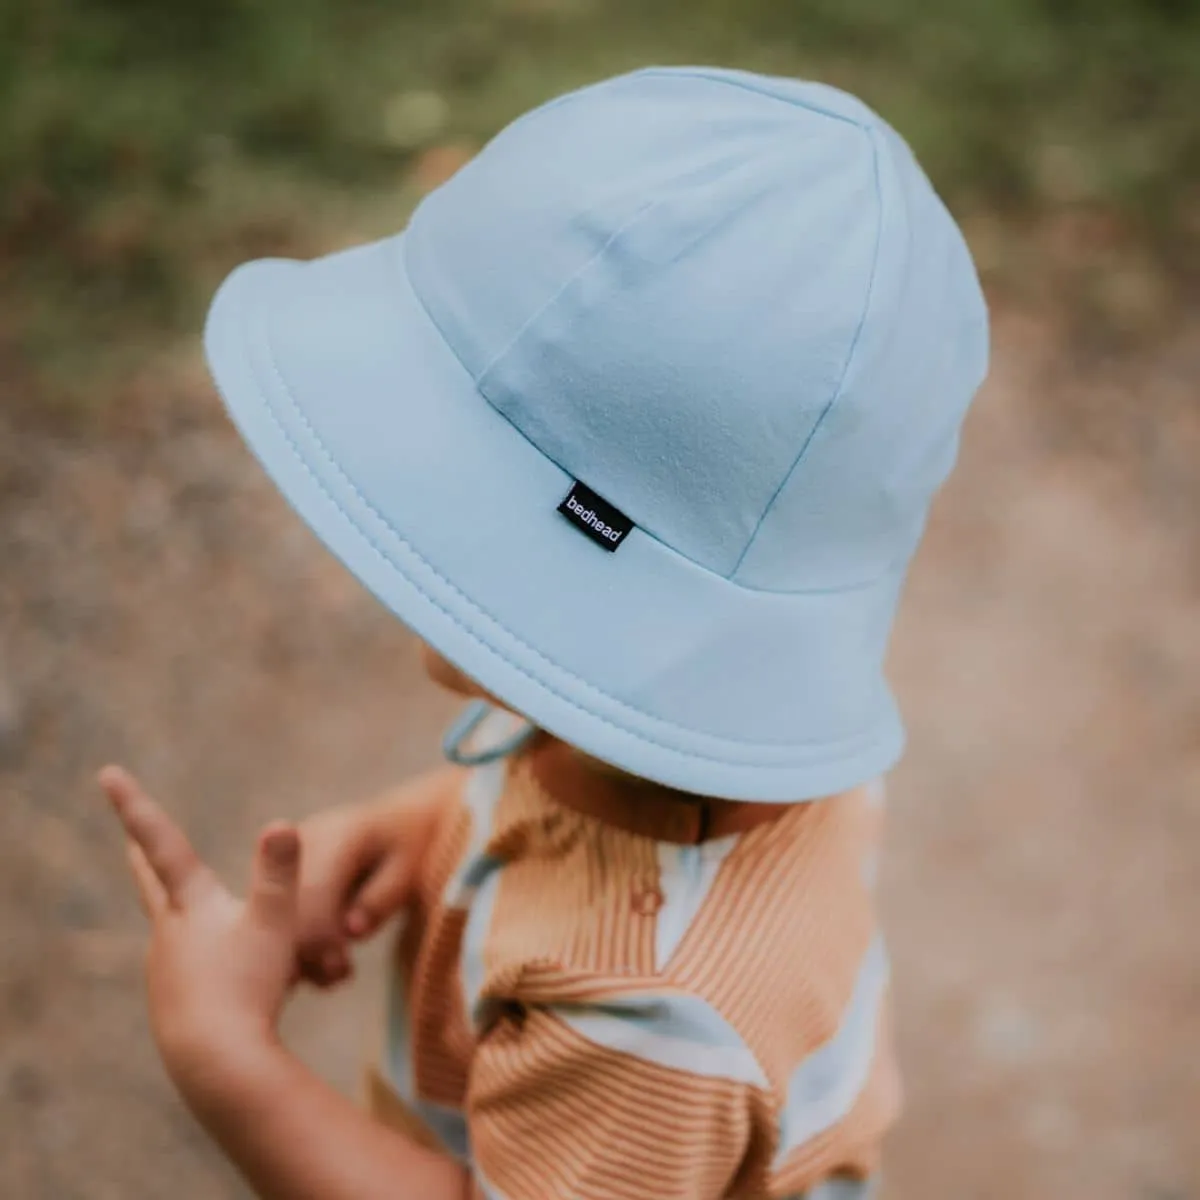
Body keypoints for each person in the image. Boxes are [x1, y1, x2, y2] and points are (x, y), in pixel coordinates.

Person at [100, 66, 988, 1200]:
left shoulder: (653, 1014)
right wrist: (411, 832)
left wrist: (225, 1059)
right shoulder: (680, 718)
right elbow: (549, 805)